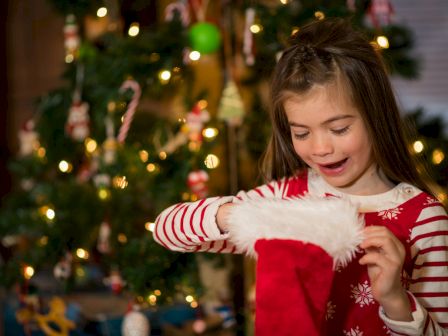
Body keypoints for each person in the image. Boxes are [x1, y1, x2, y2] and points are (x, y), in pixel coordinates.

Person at [153, 18, 448, 335]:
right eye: (301, 133)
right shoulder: (288, 199)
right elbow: (166, 229)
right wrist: (245, 215)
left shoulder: (424, 219)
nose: (321, 148)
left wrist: (395, 300)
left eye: (339, 129)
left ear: (375, 116)